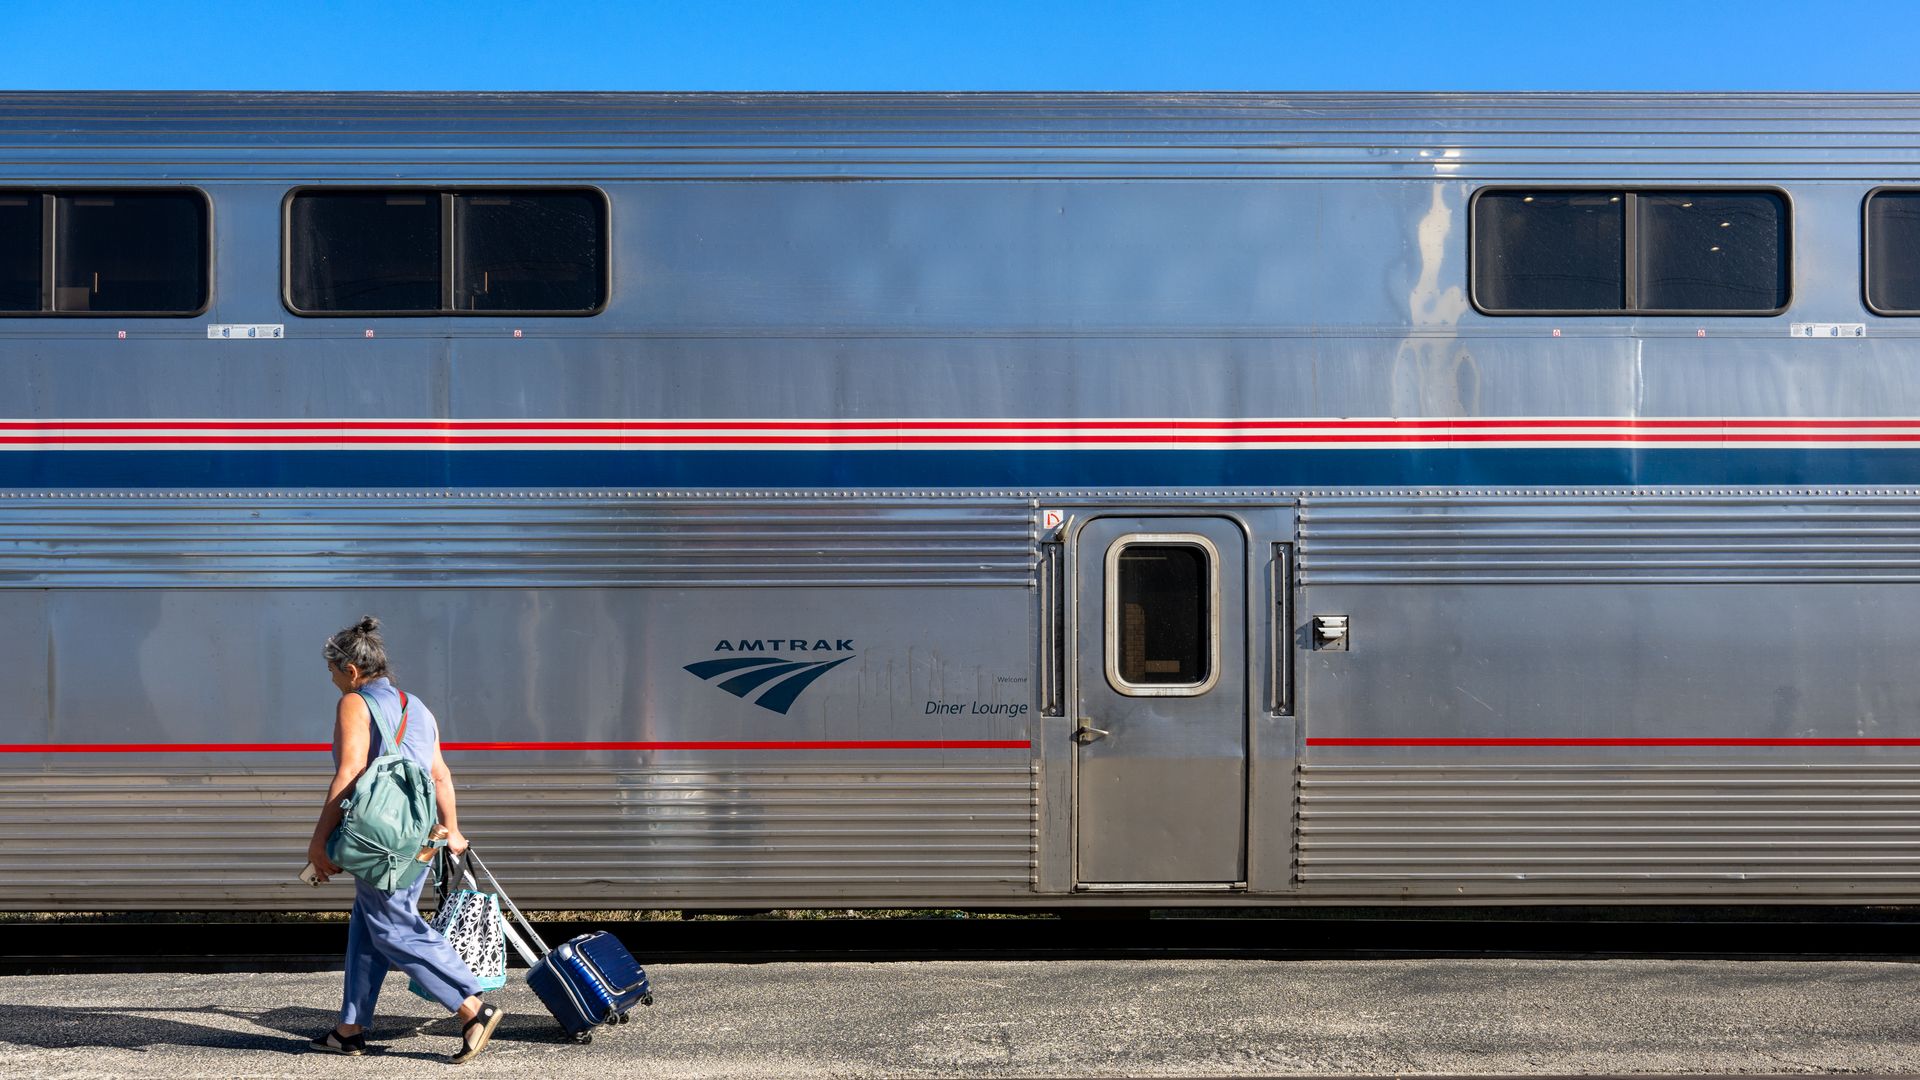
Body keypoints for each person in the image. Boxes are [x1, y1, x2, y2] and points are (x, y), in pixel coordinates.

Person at [305, 615, 505, 1063]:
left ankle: (472, 1007)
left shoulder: (354, 703)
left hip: (383, 842)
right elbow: (439, 773)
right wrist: (451, 830)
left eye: (334, 673)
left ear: (351, 670)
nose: (334, 681)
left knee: (393, 927)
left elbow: (351, 772)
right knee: (369, 924)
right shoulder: (417, 706)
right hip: (423, 836)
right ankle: (350, 1029)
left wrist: (319, 841)